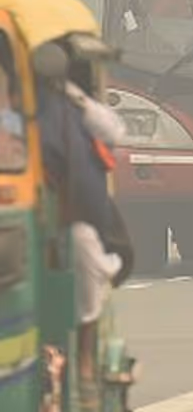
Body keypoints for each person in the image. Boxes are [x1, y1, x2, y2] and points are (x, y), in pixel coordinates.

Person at [32, 42, 134, 394]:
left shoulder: (66, 103)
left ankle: (85, 357)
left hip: (61, 214)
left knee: (84, 247)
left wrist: (75, 97)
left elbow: (113, 132)